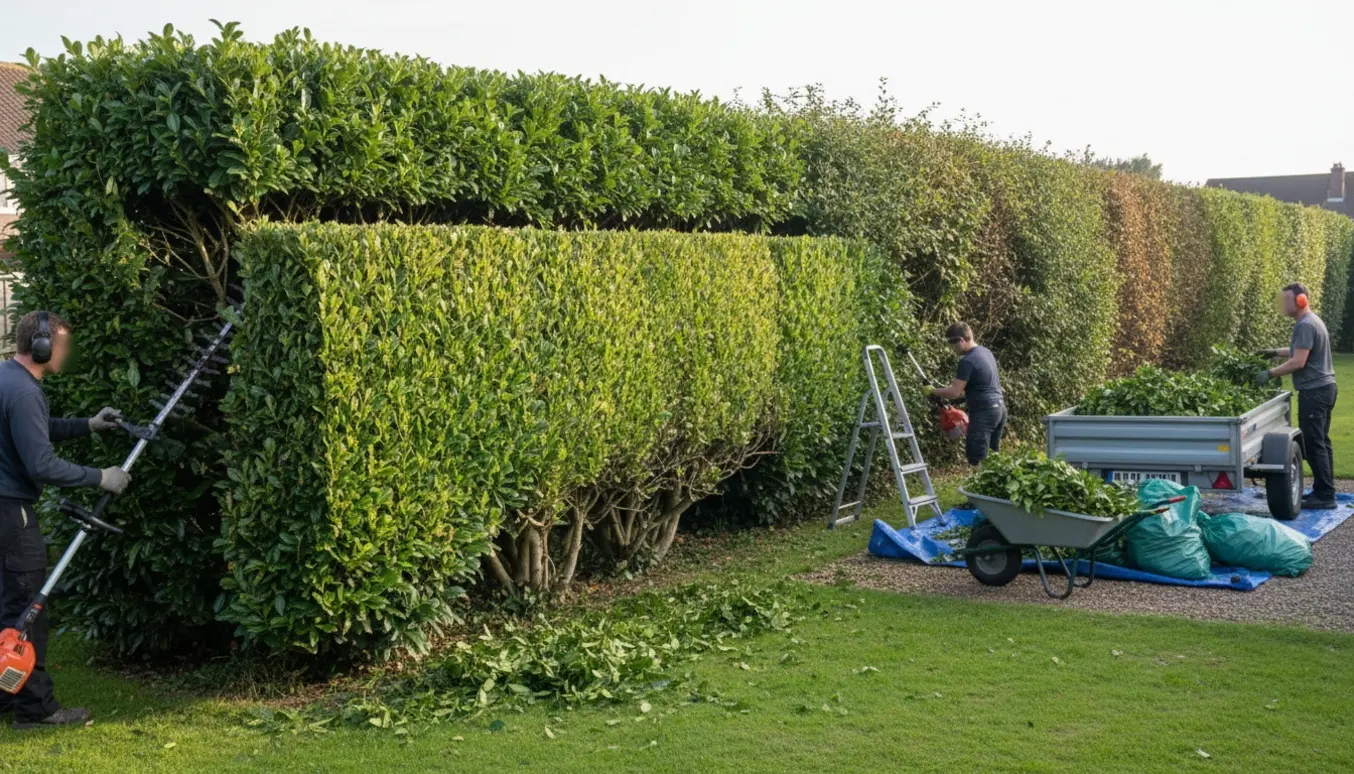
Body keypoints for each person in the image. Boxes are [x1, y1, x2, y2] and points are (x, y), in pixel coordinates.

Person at [0, 311, 129, 730]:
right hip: (12, 513)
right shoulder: (23, 392)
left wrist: (87, 426)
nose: (64, 353)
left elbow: (36, 431)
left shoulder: (9, 380)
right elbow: (41, 463)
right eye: (61, 344)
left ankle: (5, 692)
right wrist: (100, 478)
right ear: (40, 345)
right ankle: (36, 711)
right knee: (27, 612)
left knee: (7, 609)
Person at [1256, 282, 1338, 510]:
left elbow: (1298, 362)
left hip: (1315, 392)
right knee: (1322, 443)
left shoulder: (1304, 325)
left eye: (1287, 300)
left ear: (1301, 300)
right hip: (1325, 389)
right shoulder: (1311, 321)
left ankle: (1324, 496)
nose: (1283, 305)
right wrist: (1273, 352)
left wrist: (1269, 373)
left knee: (1313, 445)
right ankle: (1326, 490)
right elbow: (1299, 350)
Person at [923, 322, 1006, 466]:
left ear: (961, 340)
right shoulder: (986, 352)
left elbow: (955, 392)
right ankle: (996, 486)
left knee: (976, 457)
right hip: (999, 409)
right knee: (993, 457)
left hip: (985, 413)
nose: (952, 349)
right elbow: (975, 387)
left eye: (952, 344)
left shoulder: (967, 361)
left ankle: (980, 487)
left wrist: (933, 391)